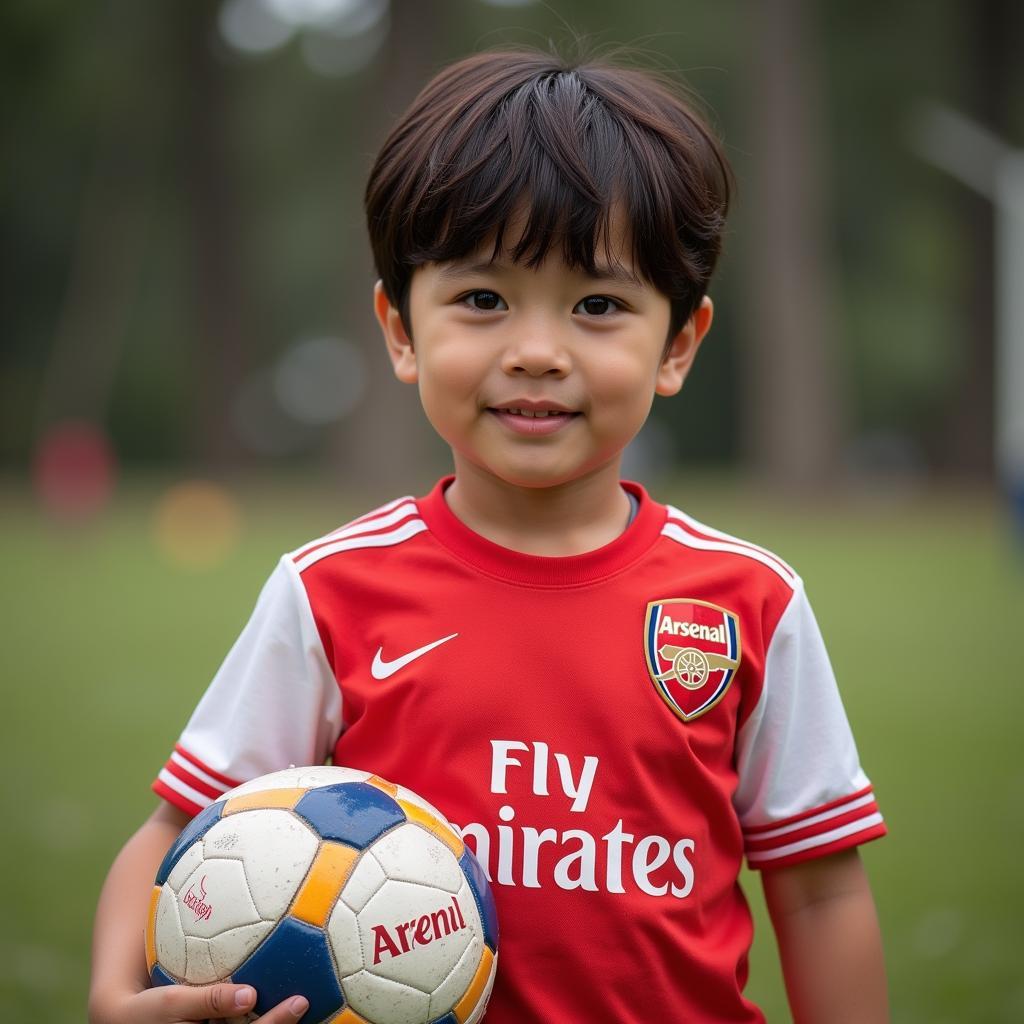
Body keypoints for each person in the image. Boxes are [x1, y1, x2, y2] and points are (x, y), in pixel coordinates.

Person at [88, 49, 889, 1024]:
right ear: (400, 331)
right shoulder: (331, 588)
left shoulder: (747, 601)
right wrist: (114, 993)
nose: (538, 352)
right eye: (482, 300)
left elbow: (819, 886)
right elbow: (178, 828)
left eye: (597, 306)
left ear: (677, 343)